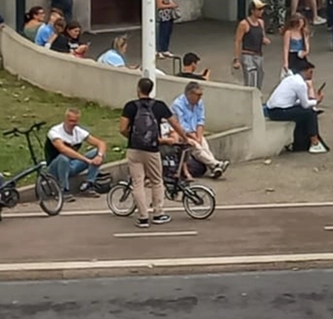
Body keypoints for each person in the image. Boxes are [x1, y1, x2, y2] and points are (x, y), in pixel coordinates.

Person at [120, 76, 180, 227]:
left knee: (138, 182)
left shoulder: (130, 106)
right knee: (156, 181)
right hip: (152, 149)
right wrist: (184, 136)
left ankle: (143, 217)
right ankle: (158, 213)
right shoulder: (159, 106)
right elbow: (174, 123)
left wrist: (132, 136)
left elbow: (122, 129)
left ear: (138, 89)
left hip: (134, 149)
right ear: (151, 89)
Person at [264, 59, 327, 154]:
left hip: (274, 109)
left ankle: (300, 144)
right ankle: (315, 142)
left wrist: (311, 100)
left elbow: (297, 101)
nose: (311, 75)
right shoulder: (301, 84)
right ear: (304, 71)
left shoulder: (290, 79)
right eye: (310, 72)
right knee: (310, 113)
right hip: (279, 111)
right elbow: (305, 105)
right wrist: (317, 101)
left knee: (302, 113)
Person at [170, 80, 229, 179]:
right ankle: (215, 164)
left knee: (204, 145)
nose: (200, 97)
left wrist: (199, 135)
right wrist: (195, 137)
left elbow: (200, 120)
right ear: (189, 94)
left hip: (194, 132)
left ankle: (215, 167)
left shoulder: (199, 103)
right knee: (196, 146)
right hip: (181, 133)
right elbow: (182, 125)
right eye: (198, 95)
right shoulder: (177, 104)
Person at [46, 109, 108, 200]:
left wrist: (99, 156)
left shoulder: (78, 131)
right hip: (55, 167)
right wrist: (86, 160)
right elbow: (63, 150)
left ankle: (88, 184)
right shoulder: (55, 132)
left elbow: (101, 143)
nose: (72, 124)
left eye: (75, 121)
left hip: (72, 165)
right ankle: (63, 190)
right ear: (65, 119)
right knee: (63, 158)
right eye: (70, 121)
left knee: (97, 152)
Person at [234, 0, 271, 91]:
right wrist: (237, 59)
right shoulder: (244, 24)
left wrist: (265, 40)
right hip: (248, 55)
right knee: (250, 80)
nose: (261, 11)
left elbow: (262, 36)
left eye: (262, 9)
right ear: (252, 11)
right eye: (259, 9)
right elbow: (238, 41)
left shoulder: (260, 22)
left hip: (259, 55)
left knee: (259, 79)